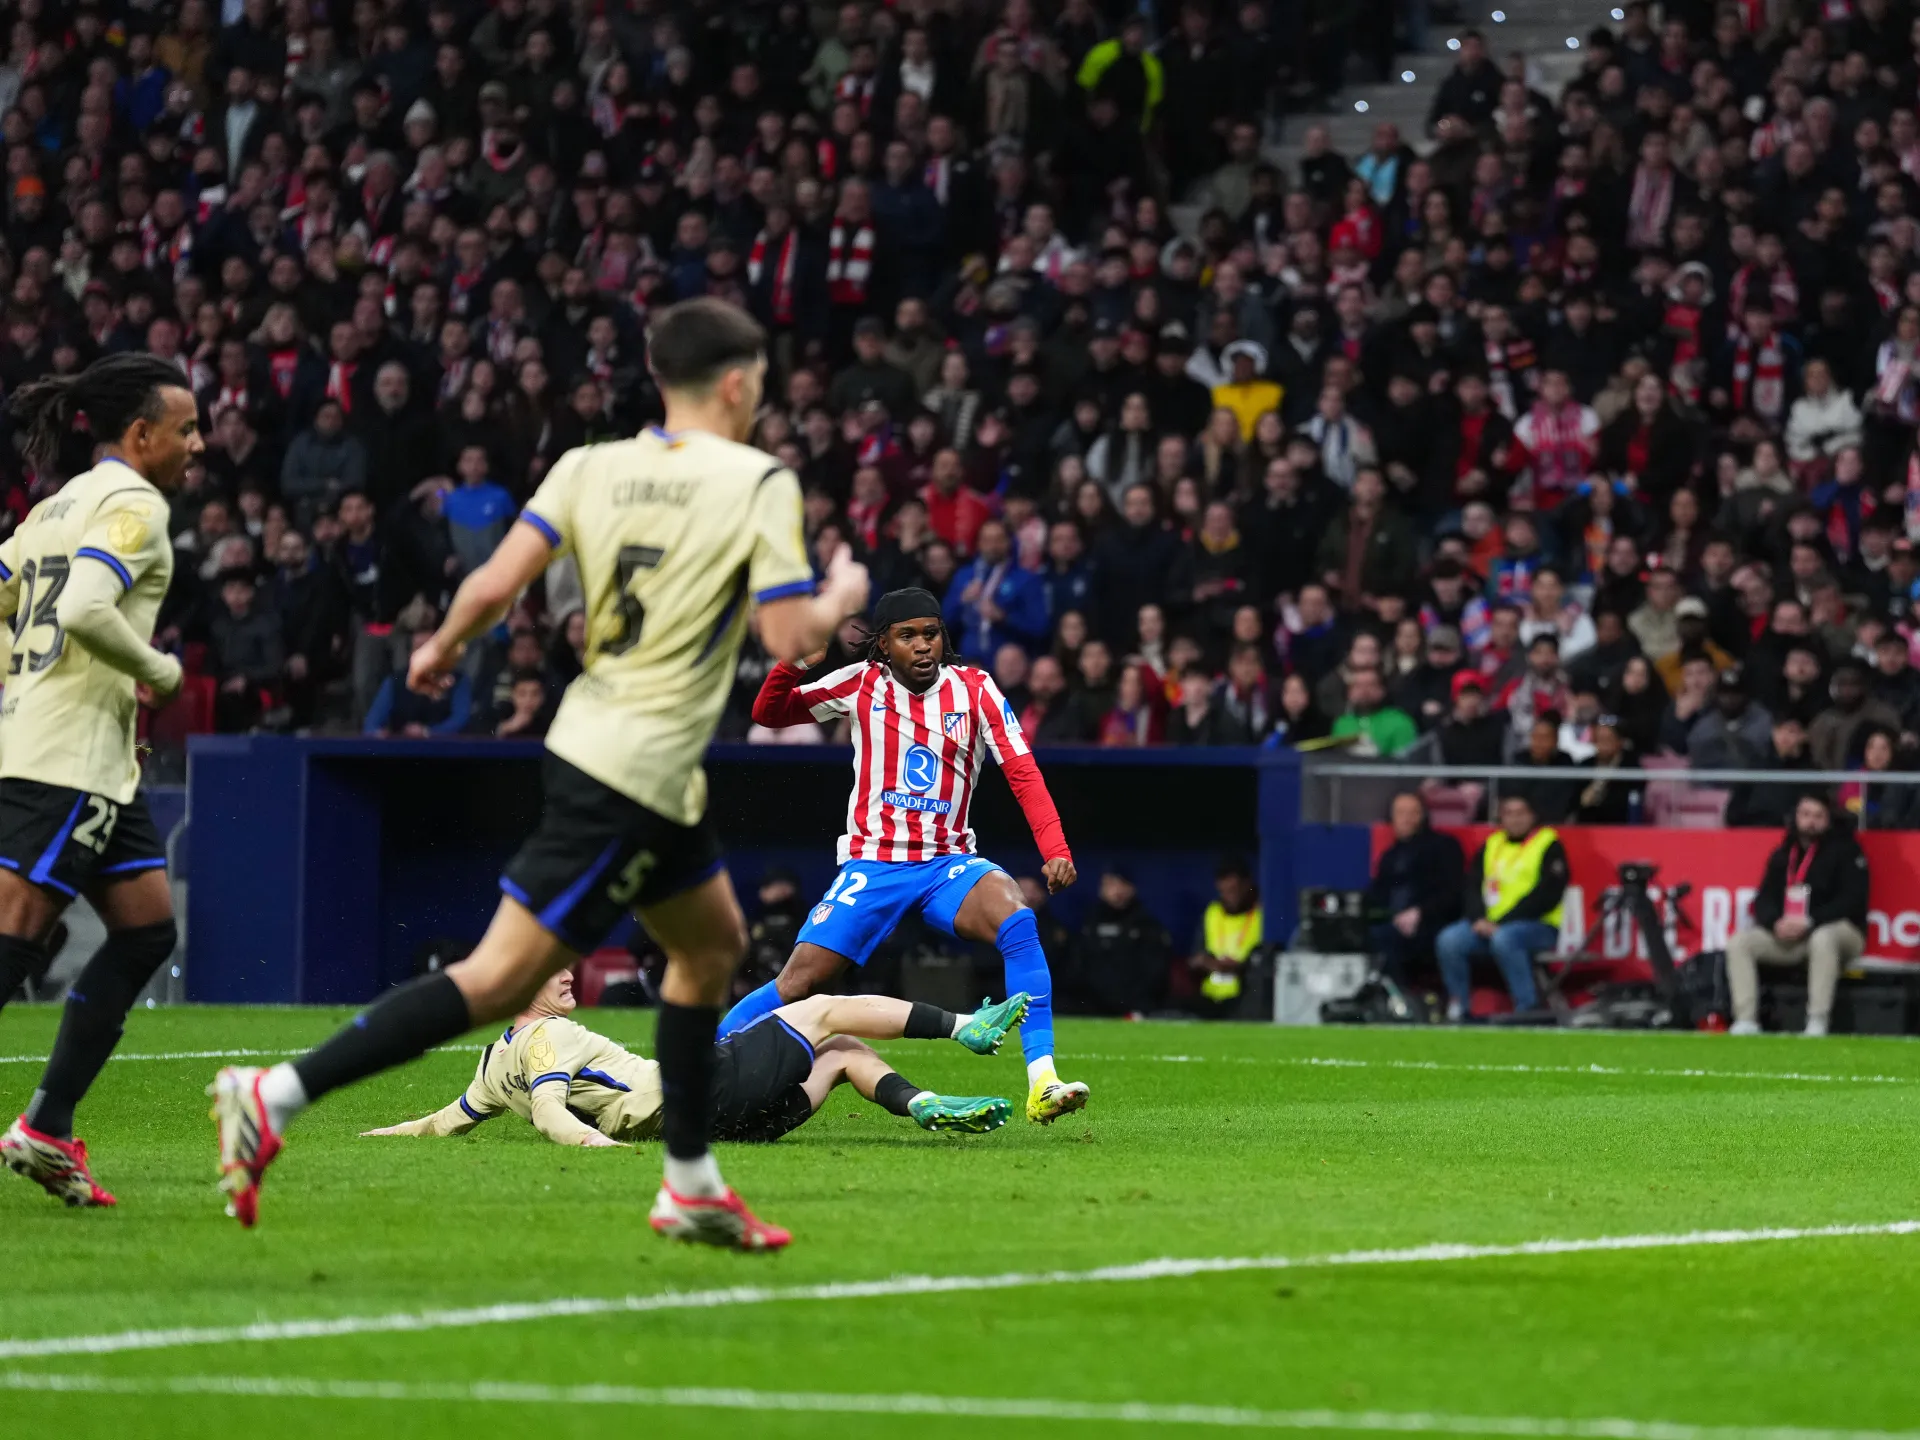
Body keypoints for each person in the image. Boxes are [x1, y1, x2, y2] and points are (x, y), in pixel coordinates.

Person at [210, 300, 871, 1251]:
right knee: (495, 980)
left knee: (713, 944)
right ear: (737, 383)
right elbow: (783, 636)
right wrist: (838, 599)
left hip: (613, 753)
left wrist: (437, 648)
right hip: (632, 770)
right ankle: (271, 1095)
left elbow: (492, 585)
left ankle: (689, 1183)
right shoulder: (757, 479)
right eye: (760, 380)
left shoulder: (585, 465)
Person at [730, 587, 1088, 1126]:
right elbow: (770, 711)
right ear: (883, 646)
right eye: (908, 636)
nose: (923, 646)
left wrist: (1054, 848)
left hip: (948, 864)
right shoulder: (861, 684)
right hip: (874, 864)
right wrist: (795, 663)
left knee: (1018, 921)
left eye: (931, 633)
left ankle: (1043, 1081)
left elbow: (1022, 769)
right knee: (800, 982)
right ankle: (699, 1060)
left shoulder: (976, 690)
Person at [0, 355, 199, 1208]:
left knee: (149, 930)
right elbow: (83, 607)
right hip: (66, 762)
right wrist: (159, 670)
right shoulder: (133, 504)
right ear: (142, 434)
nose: (197, 444)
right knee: (10, 948)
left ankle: (46, 1127)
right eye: (185, 429)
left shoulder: (56, 505)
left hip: (94, 763)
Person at [365, 968, 1032, 1145]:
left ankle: (926, 1105)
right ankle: (967, 1027)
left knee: (840, 1051)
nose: (571, 976)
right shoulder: (549, 1040)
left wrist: (379, 1135)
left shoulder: (492, 1064)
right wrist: (595, 1148)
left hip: (717, 1127)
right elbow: (549, 1112)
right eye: (555, 973)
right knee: (824, 1008)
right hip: (700, 1090)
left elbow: (444, 1122)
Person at [1725, 794, 1868, 1038]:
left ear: (1828, 820)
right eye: (1805, 815)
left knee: (1823, 938)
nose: (1811, 822)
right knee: (1740, 942)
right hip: (1791, 935)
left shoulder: (1847, 850)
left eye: (1818, 816)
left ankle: (1817, 1021)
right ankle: (1746, 1020)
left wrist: (1811, 920)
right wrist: (1775, 923)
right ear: (1796, 817)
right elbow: (1764, 899)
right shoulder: (1783, 854)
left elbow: (1851, 901)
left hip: (1841, 934)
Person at [1434, 794, 1567, 1021]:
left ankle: (1527, 1009)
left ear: (1532, 816)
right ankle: (1458, 1010)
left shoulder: (1548, 843)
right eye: (1509, 813)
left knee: (1506, 938)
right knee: (1449, 939)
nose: (1515, 820)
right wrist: (1477, 918)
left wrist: (1501, 923)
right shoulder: (1492, 844)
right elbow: (1472, 886)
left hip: (1538, 927)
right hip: (1490, 927)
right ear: (1501, 817)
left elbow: (1547, 896)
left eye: (1520, 813)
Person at [1367, 793, 1463, 987]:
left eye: (1413, 813)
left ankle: (1401, 1005)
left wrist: (1420, 913)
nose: (1407, 819)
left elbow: (1453, 892)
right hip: (1392, 921)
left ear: (1424, 816)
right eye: (1401, 813)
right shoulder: (1390, 856)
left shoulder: (1444, 846)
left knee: (1383, 938)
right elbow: (1378, 894)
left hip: (1432, 922)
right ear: (1391, 818)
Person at [1062, 866, 1172, 1017]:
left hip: (1136, 1006)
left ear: (1132, 888)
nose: (1117, 890)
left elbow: (1155, 972)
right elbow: (1077, 967)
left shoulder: (1146, 924)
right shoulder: (1088, 924)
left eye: (1122, 884)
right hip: (1093, 1006)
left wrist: (1136, 1002)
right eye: (1110, 884)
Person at [1186, 856, 1262, 1019]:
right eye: (1224, 891)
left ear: (1246, 885)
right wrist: (1207, 962)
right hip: (1210, 994)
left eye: (1233, 891)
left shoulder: (1260, 915)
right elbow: (1195, 956)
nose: (1228, 896)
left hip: (1246, 995)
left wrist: (1241, 967)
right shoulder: (1212, 913)